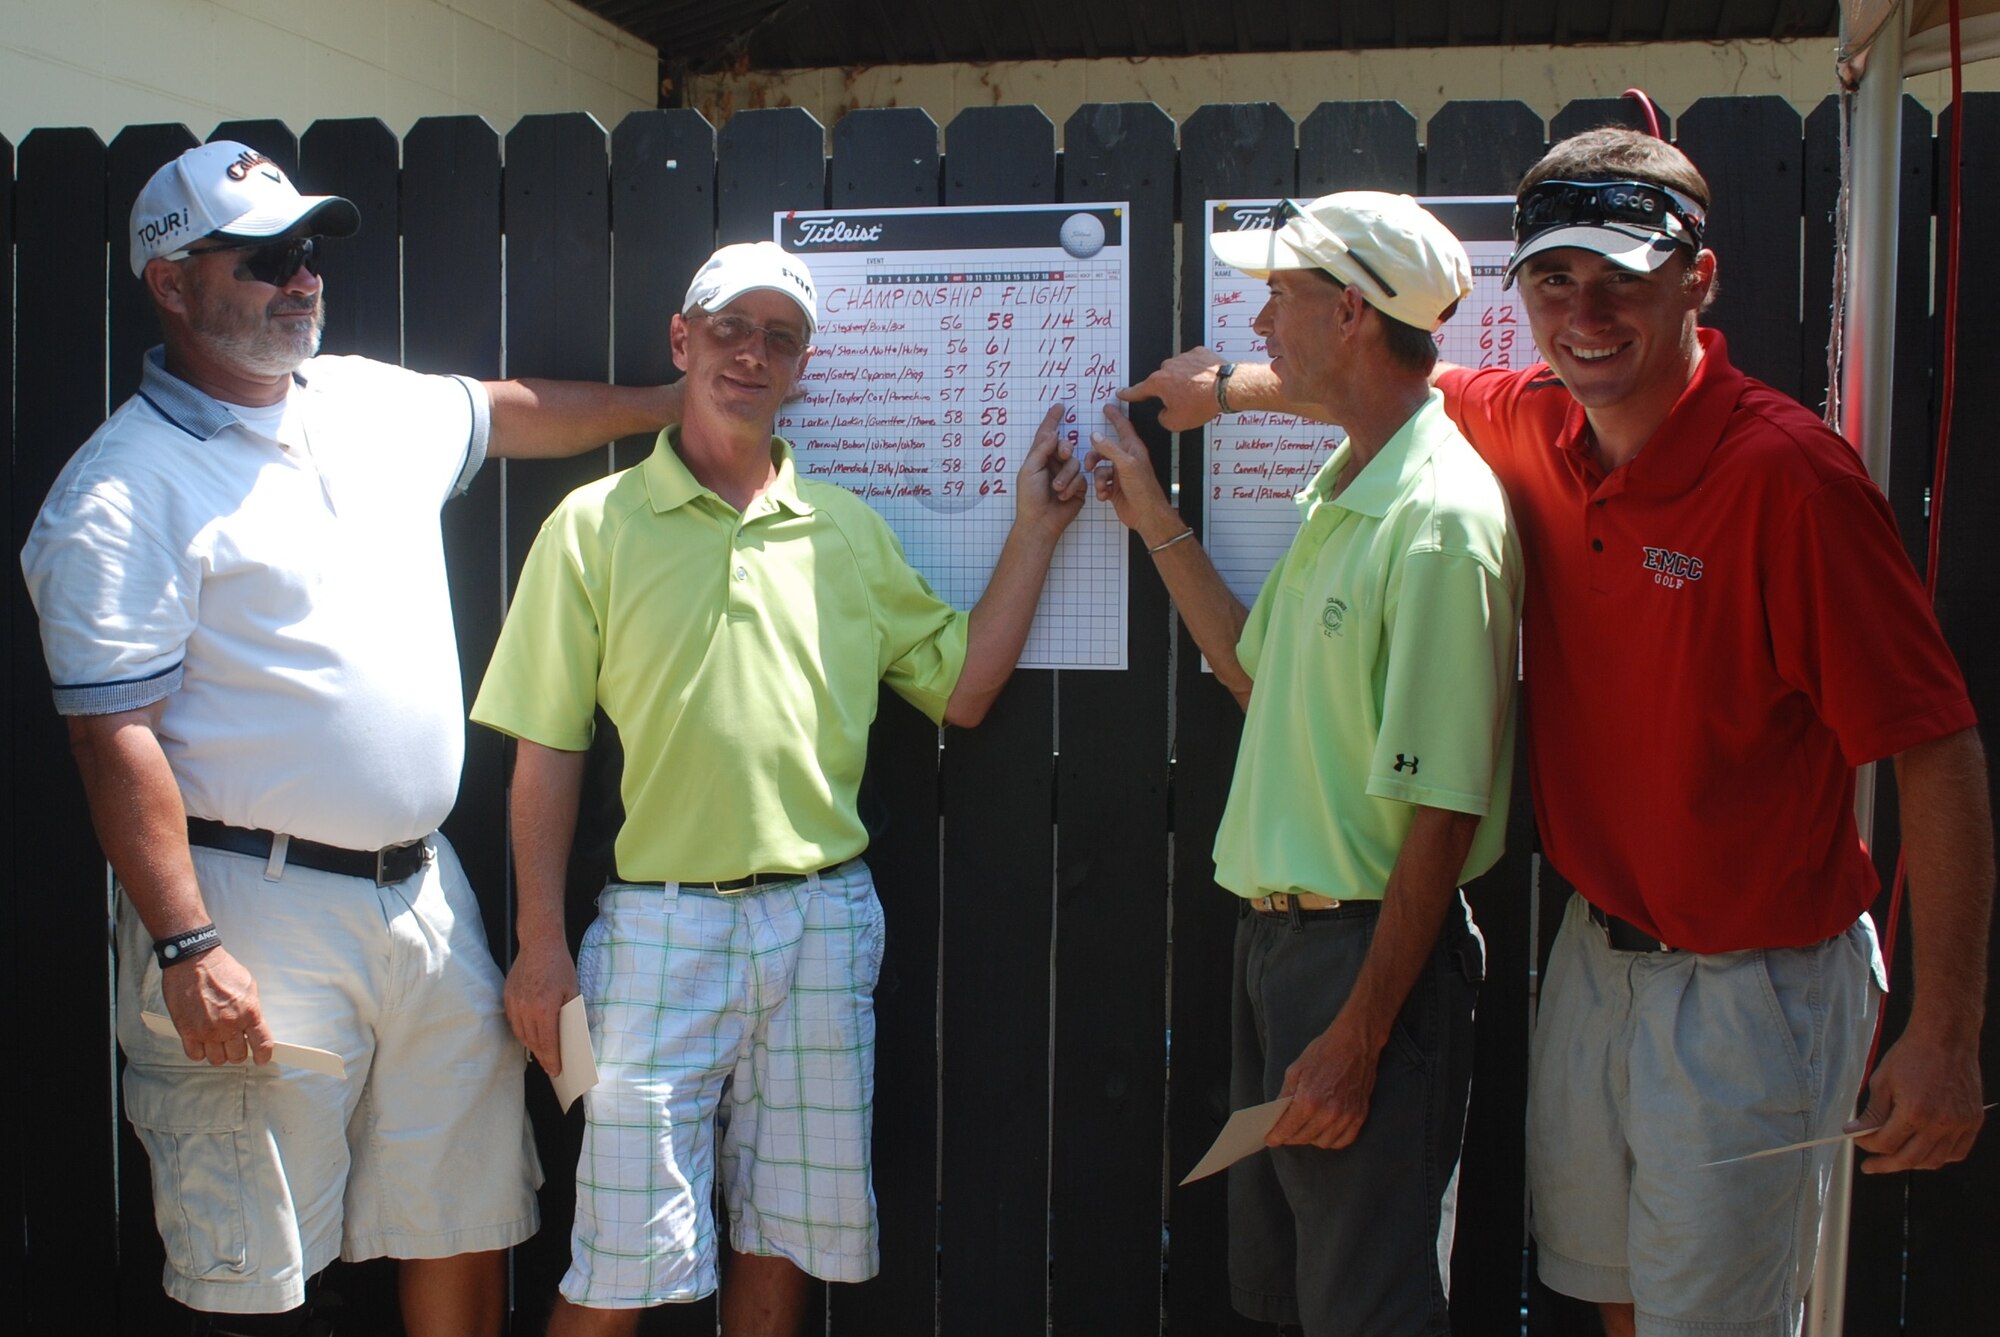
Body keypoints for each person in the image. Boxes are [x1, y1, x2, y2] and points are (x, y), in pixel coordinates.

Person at [1120, 130, 1992, 1337]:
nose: (1582, 313)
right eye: (1550, 279)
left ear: (1699, 276)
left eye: (1620, 276)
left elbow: (1934, 746)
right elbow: (1376, 381)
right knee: (1606, 1299)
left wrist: (1943, 1031)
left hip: (1753, 974)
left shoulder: (1790, 481)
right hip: (1597, 948)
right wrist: (1217, 390)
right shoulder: (1534, 421)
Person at [20, 140, 686, 1337]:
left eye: (310, 249)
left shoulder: (366, 402)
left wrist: (665, 408)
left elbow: (508, 413)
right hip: (249, 915)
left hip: (427, 901)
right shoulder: (122, 489)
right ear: (170, 284)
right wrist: (187, 943)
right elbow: (109, 735)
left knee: (462, 1220)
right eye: (264, 258)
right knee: (252, 1263)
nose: (301, 278)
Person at [470, 240, 1085, 1336]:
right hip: (657, 932)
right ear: (682, 339)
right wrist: (537, 938)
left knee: (783, 1238)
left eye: (779, 337)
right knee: (618, 1254)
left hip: (819, 922)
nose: (751, 354)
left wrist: (1034, 528)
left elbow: (962, 689)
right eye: (729, 330)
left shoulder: (844, 530)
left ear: (802, 364)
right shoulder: (592, 527)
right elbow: (547, 746)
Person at [1089, 193, 1521, 1335]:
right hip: (1287, 950)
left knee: (1365, 1304)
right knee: (1290, 1298)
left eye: (1277, 293)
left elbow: (1441, 808)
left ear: (1346, 311)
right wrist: (1147, 514)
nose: (1257, 321)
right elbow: (1249, 664)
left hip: (1362, 963)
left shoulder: (1432, 520)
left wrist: (1361, 1028)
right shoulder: (1350, 488)